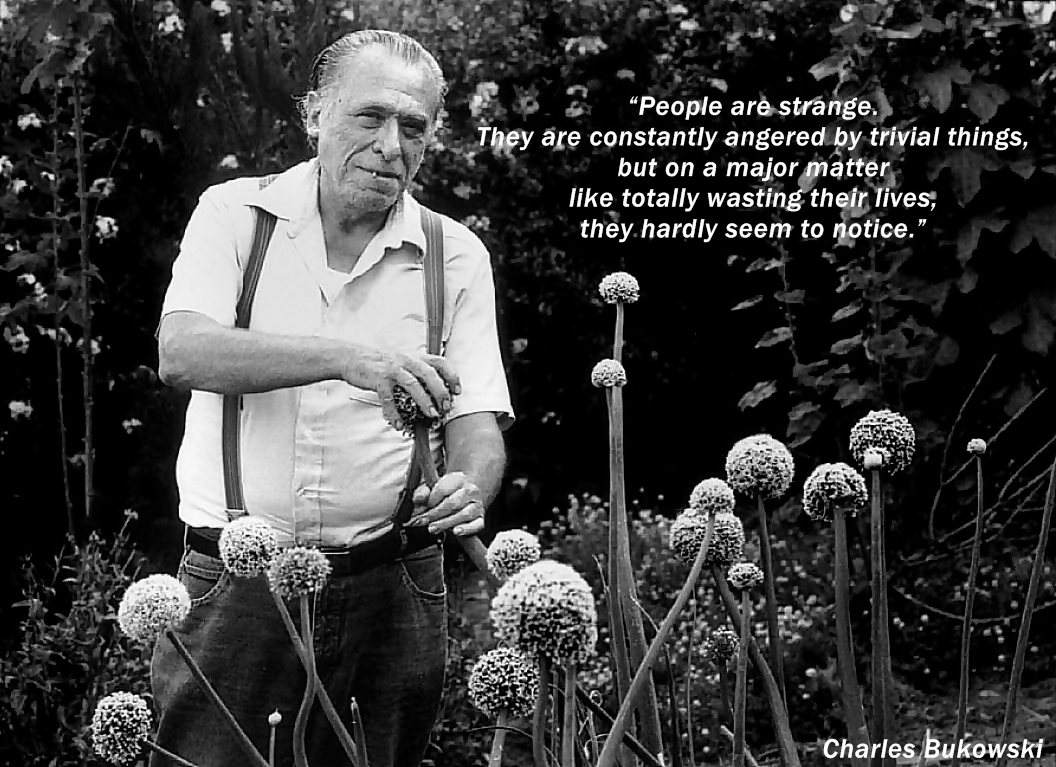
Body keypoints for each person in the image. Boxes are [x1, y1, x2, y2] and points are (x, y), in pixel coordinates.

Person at [151, 29, 513, 767]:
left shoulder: (455, 254)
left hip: (392, 584)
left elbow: (478, 419)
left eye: (413, 127)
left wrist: (470, 487)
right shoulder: (235, 215)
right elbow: (182, 352)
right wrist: (346, 358)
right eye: (369, 117)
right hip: (239, 584)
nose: (391, 146)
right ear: (316, 115)